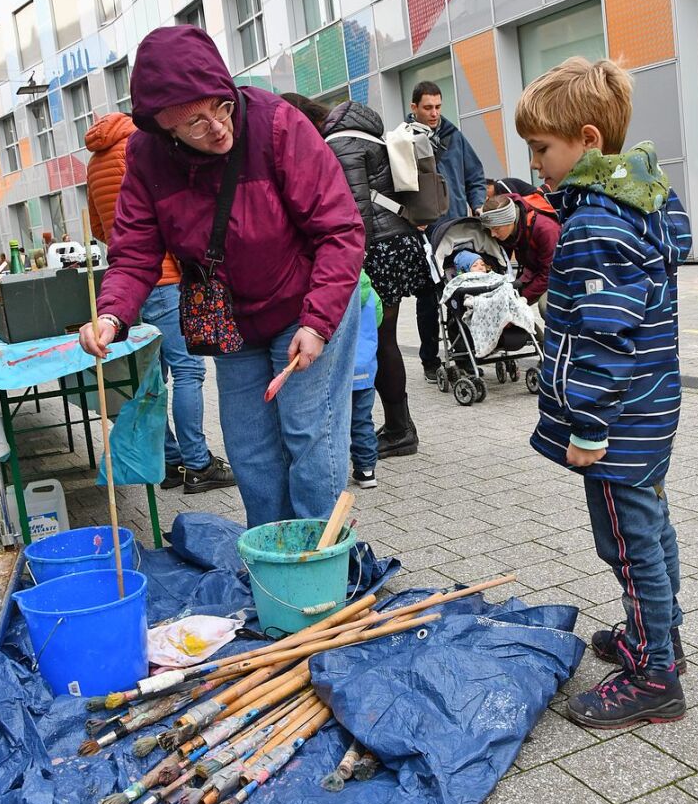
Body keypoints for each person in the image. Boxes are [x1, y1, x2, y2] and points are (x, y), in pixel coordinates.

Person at [78, 26, 364, 528]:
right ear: (162, 126)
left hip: (306, 302)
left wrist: (318, 323)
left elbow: (339, 229)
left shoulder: (277, 124)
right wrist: (111, 315)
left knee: (309, 435)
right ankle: (273, 558)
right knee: (251, 448)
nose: (216, 128)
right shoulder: (145, 157)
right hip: (231, 321)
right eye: (194, 122)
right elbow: (133, 253)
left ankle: (321, 564)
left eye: (222, 107)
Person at [516, 55, 692, 728]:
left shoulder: (593, 225)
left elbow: (602, 338)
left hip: (615, 426)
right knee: (649, 525)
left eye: (541, 149)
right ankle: (659, 634)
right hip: (648, 410)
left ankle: (653, 674)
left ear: (586, 139)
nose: (535, 164)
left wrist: (585, 424)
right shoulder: (640, 201)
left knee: (626, 540)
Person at [84, 111, 235, 495]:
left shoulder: (95, 161)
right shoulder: (143, 148)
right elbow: (171, 215)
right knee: (188, 370)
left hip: (129, 282)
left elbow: (99, 229)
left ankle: (168, 461)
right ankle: (198, 463)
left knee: (155, 374)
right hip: (165, 275)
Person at [318, 98, 432, 458]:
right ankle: (400, 425)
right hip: (397, 243)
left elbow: (356, 207)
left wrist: (350, 260)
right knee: (385, 341)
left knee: (379, 341)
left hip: (377, 251)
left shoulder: (341, 144)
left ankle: (400, 430)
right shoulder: (369, 137)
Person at [408, 81, 486, 382]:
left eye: (438, 107)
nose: (434, 113)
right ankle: (430, 359)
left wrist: (477, 206)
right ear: (414, 107)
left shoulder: (454, 137)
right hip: (422, 235)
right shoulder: (403, 141)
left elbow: (475, 176)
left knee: (459, 291)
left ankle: (463, 355)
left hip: (454, 230)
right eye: (428, 107)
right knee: (427, 298)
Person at [479, 193, 559, 314]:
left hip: (559, 278)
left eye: (496, 229)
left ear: (510, 220)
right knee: (506, 308)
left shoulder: (545, 229)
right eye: (490, 229)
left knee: (545, 306)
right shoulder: (512, 229)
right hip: (534, 273)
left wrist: (521, 297)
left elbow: (549, 274)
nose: (492, 235)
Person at [350, 269, 382, 488]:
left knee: (332, 422)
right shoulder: (370, 291)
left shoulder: (334, 287)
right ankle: (366, 470)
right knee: (362, 419)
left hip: (338, 370)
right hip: (366, 367)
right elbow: (378, 319)